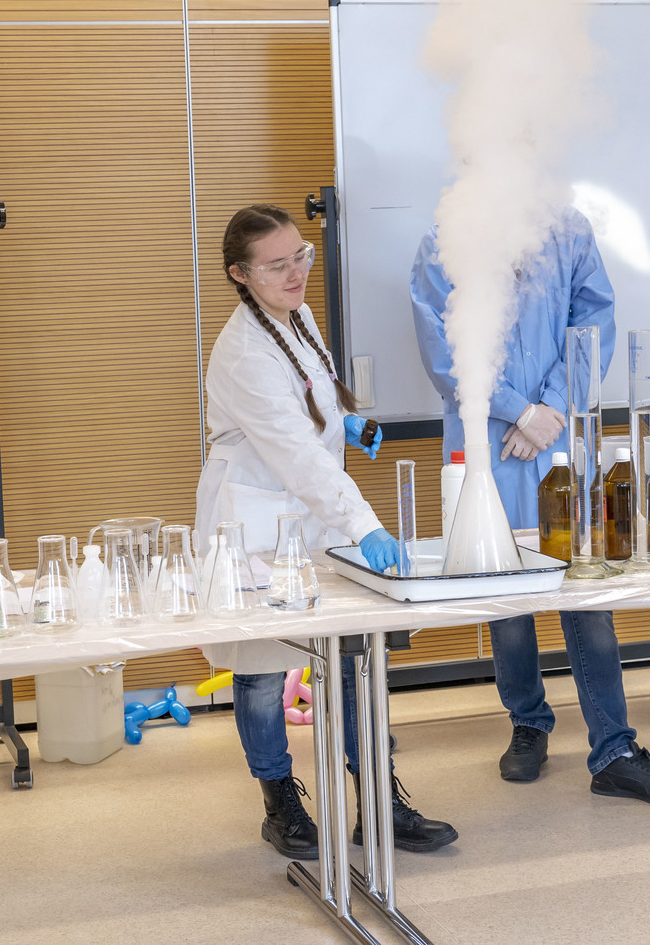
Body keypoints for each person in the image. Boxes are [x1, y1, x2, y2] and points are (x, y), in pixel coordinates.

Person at [196, 204, 458, 859]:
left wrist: (346, 422)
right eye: (276, 265)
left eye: (301, 256)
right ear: (240, 274)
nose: (295, 273)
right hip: (254, 525)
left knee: (349, 655)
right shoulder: (244, 352)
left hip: (312, 514)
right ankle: (279, 803)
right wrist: (365, 525)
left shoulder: (298, 315)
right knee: (263, 669)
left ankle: (379, 800)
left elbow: (312, 394)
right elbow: (295, 455)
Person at [410, 210, 650, 806]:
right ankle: (528, 724)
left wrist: (551, 410)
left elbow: (592, 321)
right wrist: (518, 412)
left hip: (561, 431)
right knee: (504, 586)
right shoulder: (447, 236)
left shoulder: (568, 230)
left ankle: (614, 748)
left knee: (583, 586)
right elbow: (444, 348)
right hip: (487, 434)